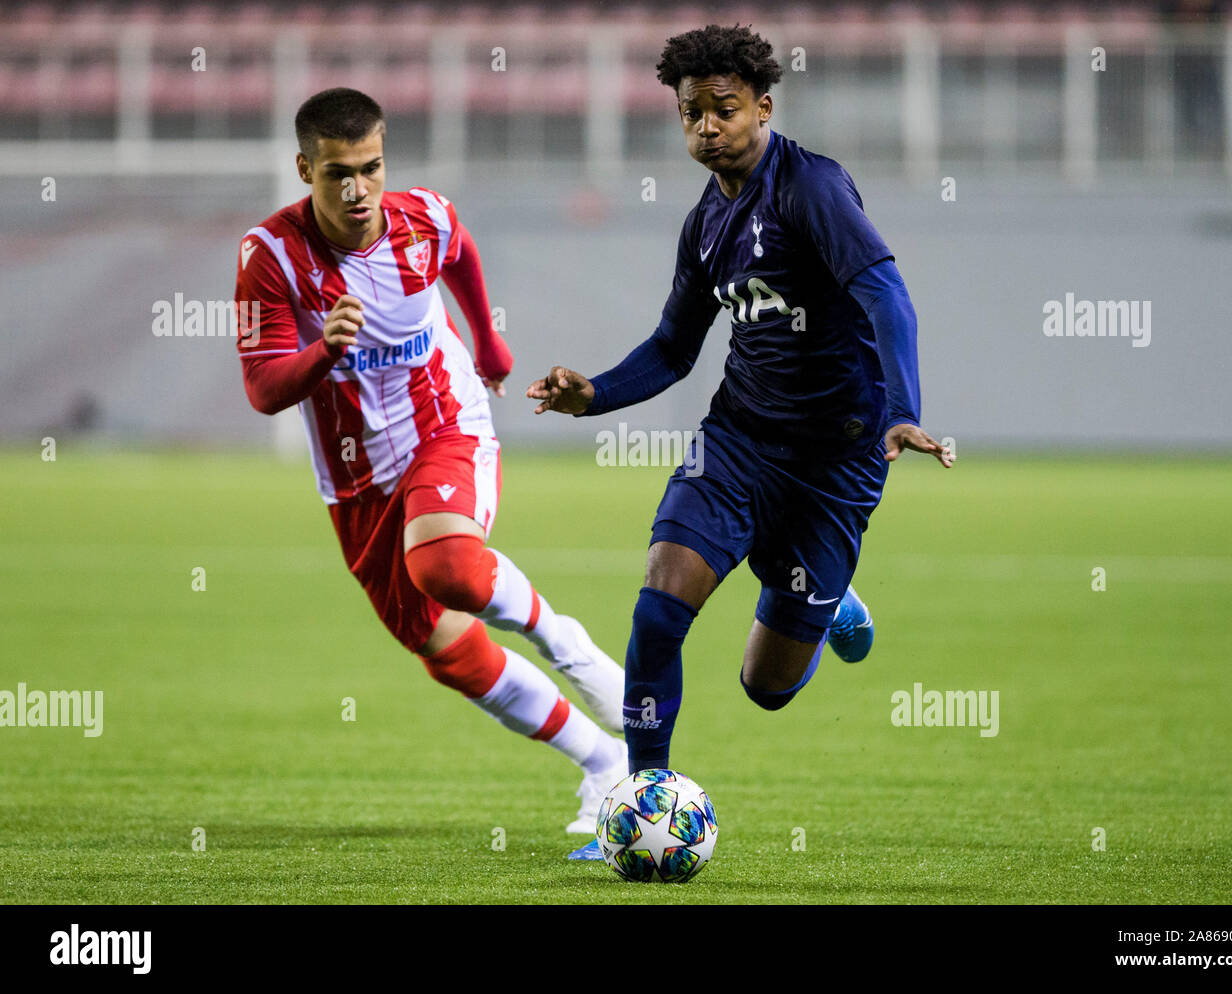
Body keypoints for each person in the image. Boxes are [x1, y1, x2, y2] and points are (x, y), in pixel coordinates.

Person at [525, 27, 952, 856]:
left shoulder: (812, 189)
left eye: (724, 109)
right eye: (691, 113)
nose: (707, 127)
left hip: (839, 458)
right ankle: (641, 799)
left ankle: (826, 611)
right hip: (740, 441)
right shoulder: (705, 224)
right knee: (658, 607)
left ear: (763, 106)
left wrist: (904, 408)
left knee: (766, 687)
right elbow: (674, 348)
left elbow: (888, 296)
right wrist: (594, 397)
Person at [234, 87, 626, 834]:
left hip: (445, 423)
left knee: (444, 565)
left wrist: (488, 341)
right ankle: (604, 765)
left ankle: (564, 643)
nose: (358, 191)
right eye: (337, 174)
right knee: (445, 650)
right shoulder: (272, 257)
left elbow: (462, 250)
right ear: (304, 169)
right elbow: (262, 389)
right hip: (356, 481)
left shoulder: (422, 218)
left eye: (371, 168)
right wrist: (325, 353)